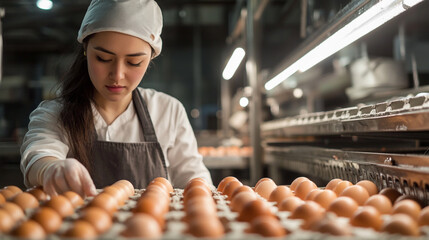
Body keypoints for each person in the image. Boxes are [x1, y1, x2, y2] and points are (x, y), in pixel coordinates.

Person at [20, 0, 213, 197]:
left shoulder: (167, 111)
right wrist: (51, 168)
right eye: (103, 59)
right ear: (86, 50)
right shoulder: (56, 114)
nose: (117, 75)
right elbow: (38, 155)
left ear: (150, 59)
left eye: (134, 62)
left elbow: (194, 178)